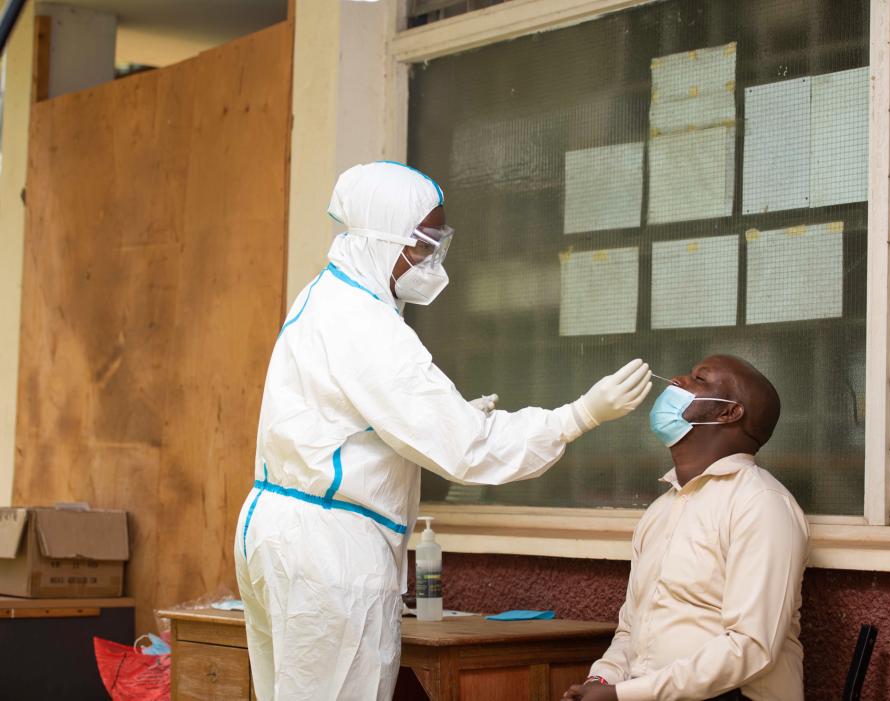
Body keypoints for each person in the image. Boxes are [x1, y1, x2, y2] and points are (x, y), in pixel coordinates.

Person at [234, 161, 652, 701]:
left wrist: (446, 415)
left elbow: (352, 417)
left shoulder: (325, 296)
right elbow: (467, 452)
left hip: (281, 531)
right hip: (329, 553)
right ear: (385, 239)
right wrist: (577, 416)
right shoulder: (368, 325)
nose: (432, 257)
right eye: (425, 241)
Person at [563, 355, 808, 701]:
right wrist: (602, 681)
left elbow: (751, 648)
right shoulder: (662, 509)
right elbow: (632, 629)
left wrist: (626, 695)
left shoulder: (761, 503)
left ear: (729, 412)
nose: (677, 380)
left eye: (699, 379)